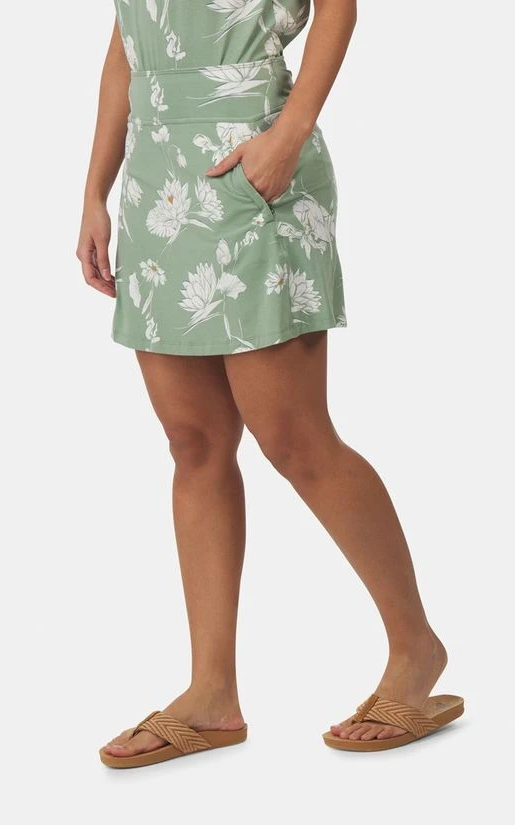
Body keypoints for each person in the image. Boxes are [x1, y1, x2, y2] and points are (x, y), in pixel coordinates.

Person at [77, 0, 463, 765]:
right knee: (193, 441)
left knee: (294, 437)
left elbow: (339, 6)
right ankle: (211, 693)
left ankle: (416, 649)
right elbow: (126, 41)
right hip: (157, 180)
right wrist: (95, 189)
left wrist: (288, 135)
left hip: (253, 164)